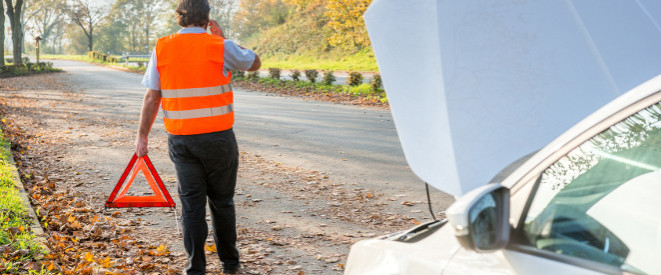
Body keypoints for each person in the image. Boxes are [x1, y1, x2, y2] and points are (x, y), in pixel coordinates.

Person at [134, 0, 260, 273]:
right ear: (208, 18)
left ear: (179, 18)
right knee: (222, 202)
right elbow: (254, 63)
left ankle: (196, 269)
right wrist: (224, 39)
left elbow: (152, 96)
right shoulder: (219, 46)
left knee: (191, 205)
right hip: (219, 140)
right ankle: (230, 264)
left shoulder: (163, 47)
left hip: (182, 141)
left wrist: (142, 136)